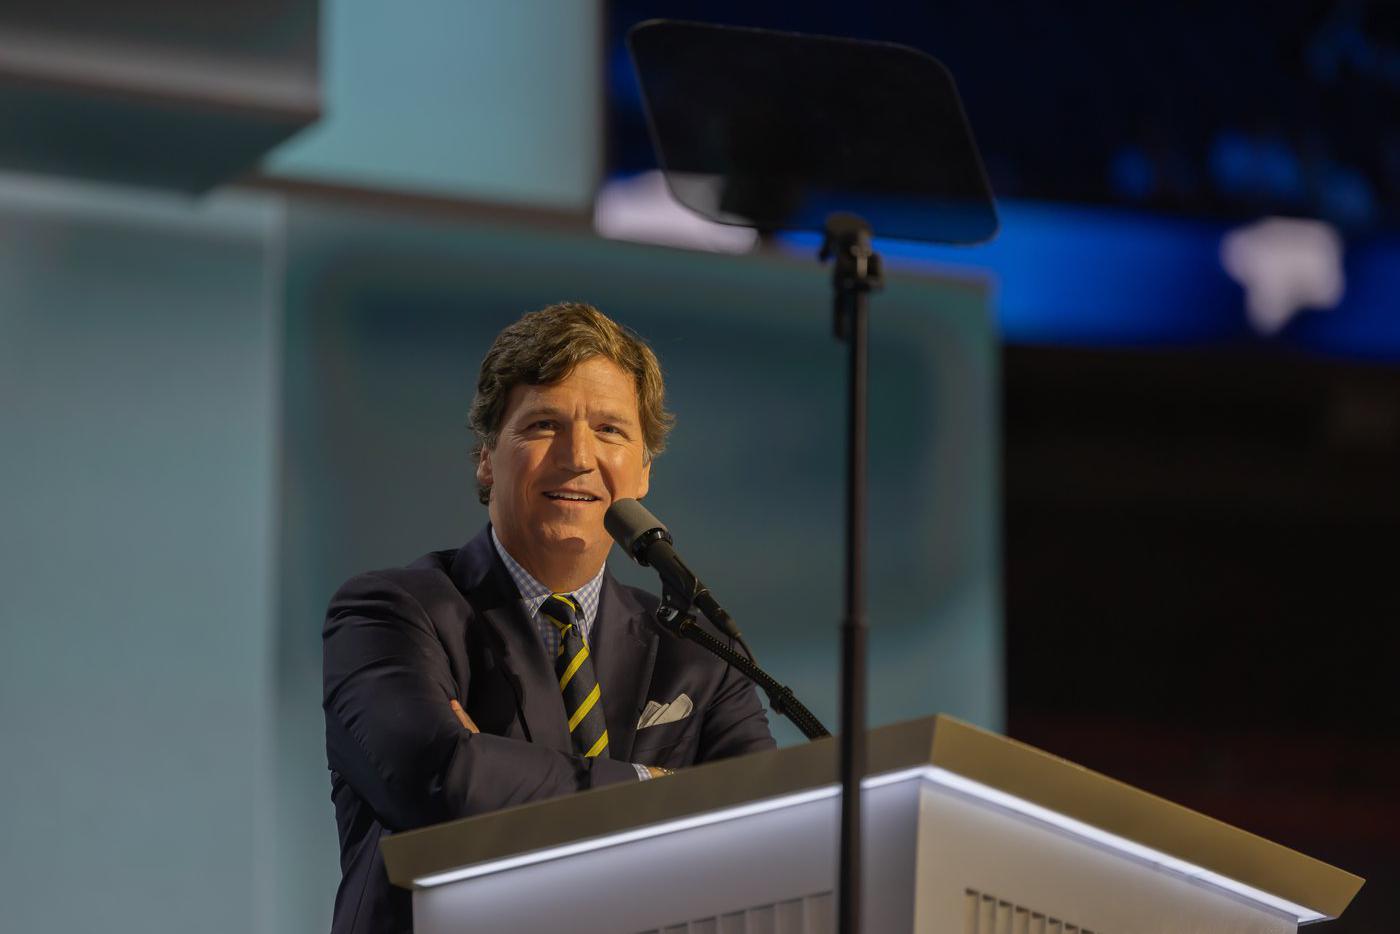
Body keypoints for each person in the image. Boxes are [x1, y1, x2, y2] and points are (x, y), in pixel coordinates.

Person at [322, 302, 776, 934]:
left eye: (610, 430)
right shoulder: (391, 613)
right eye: (543, 424)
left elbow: (762, 827)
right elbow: (442, 779)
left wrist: (498, 770)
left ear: (644, 469)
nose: (578, 456)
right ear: (486, 457)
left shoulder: (697, 650)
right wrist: (659, 787)